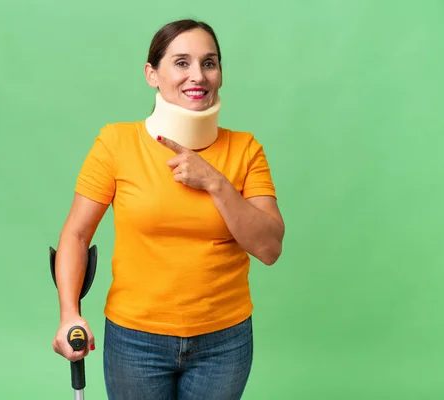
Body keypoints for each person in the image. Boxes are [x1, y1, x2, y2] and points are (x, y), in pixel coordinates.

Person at [52, 19, 285, 399]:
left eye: (209, 63)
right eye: (181, 63)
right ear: (152, 74)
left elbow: (269, 249)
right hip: (135, 340)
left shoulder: (245, 150)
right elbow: (76, 235)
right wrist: (68, 314)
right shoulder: (116, 143)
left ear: (221, 74)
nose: (198, 75)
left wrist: (214, 181)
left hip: (224, 341)